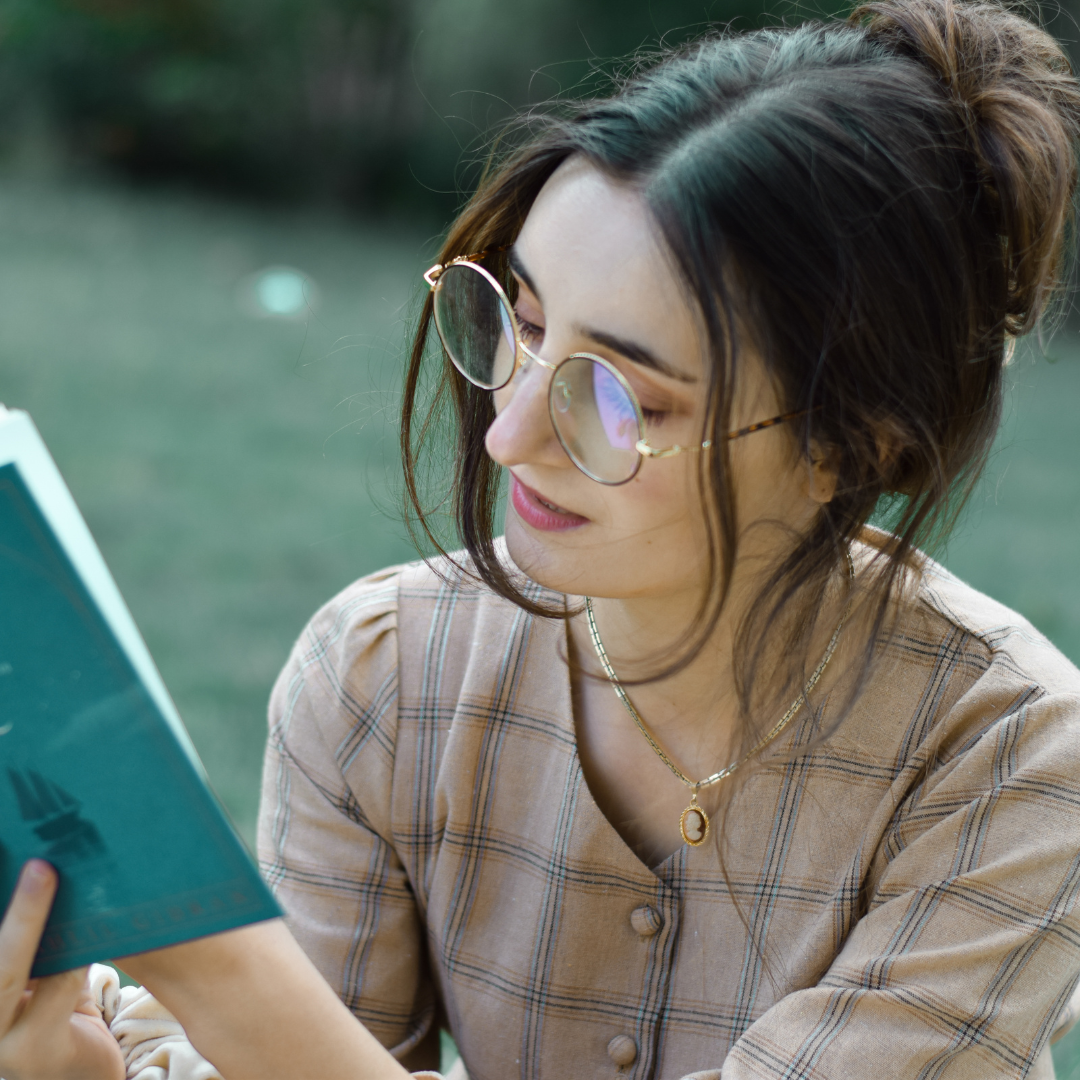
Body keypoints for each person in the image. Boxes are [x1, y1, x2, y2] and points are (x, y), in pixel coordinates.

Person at [4, 0, 1080, 1076]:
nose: (511, 433)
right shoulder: (382, 674)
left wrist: (224, 971)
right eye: (519, 323)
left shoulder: (1011, 763)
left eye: (622, 398)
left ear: (852, 446)